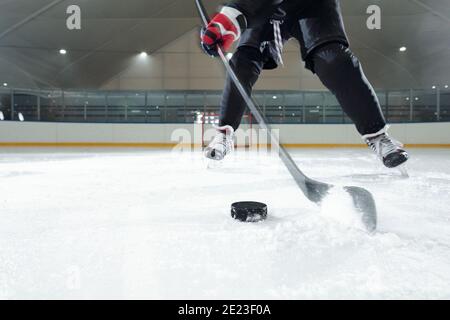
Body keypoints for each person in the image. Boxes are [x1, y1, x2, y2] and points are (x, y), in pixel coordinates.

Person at [200, 0, 409, 168]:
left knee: (334, 60)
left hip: (312, 5)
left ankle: (378, 136)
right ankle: (224, 134)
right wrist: (221, 26)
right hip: (265, 9)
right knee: (241, 62)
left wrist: (228, 20)